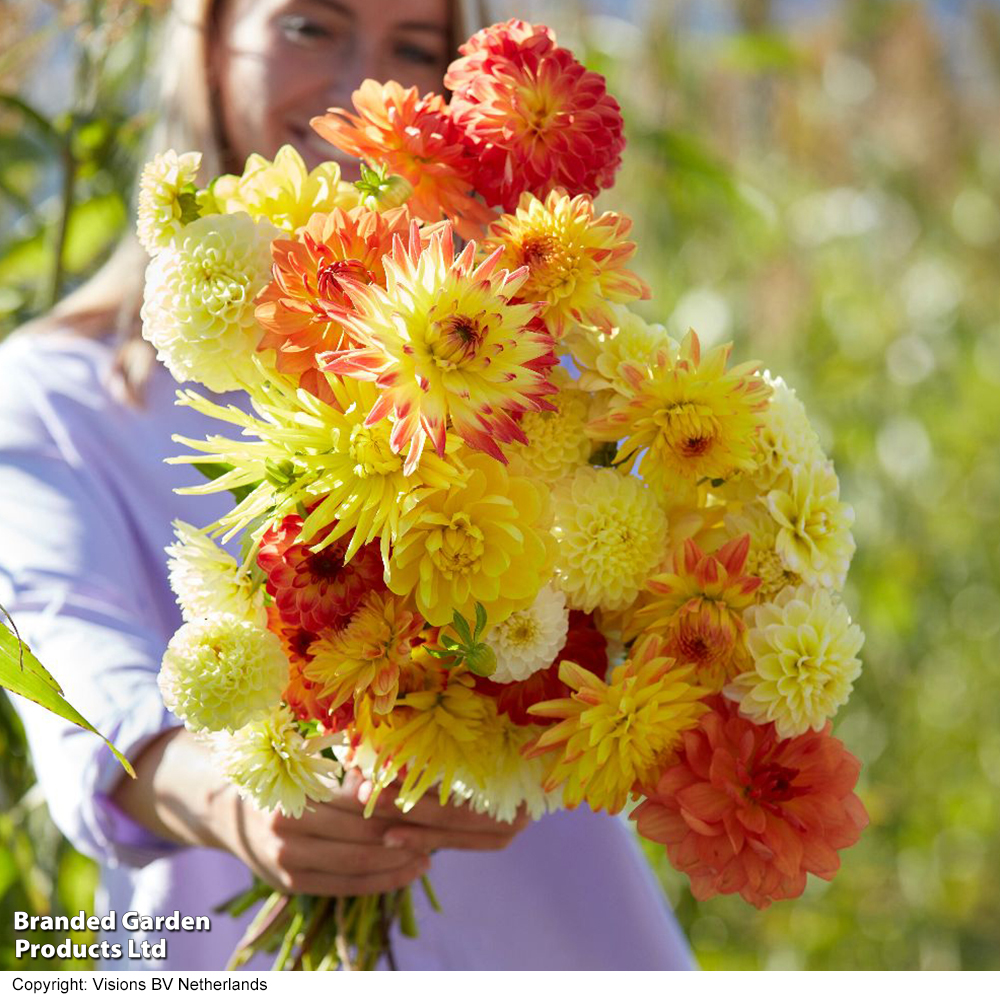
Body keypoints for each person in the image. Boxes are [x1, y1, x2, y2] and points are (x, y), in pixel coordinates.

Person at [0, 0, 696, 971]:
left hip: (559, 940)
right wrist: (232, 800)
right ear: (205, 42)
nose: (360, 84)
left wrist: (562, 731)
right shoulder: (49, 396)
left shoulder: (524, 356)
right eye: (308, 26)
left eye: (413, 46)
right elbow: (77, 681)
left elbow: (641, 621)